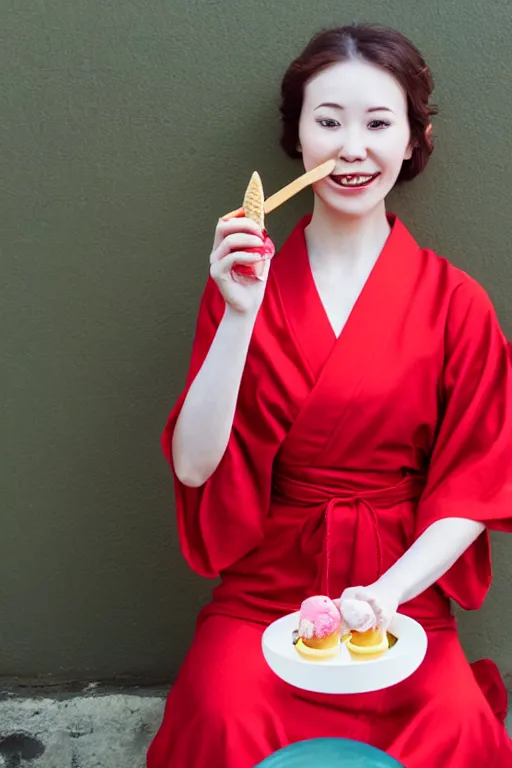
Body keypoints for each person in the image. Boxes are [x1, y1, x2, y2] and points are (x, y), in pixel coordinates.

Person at [147, 24, 512, 768]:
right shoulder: (244, 288)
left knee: (453, 728)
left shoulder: (458, 302)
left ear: (414, 140)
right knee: (220, 719)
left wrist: (385, 595)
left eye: (380, 123)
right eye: (328, 121)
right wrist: (237, 317)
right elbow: (192, 468)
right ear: (298, 137)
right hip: (266, 589)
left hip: (401, 594)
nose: (352, 148)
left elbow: (478, 487)